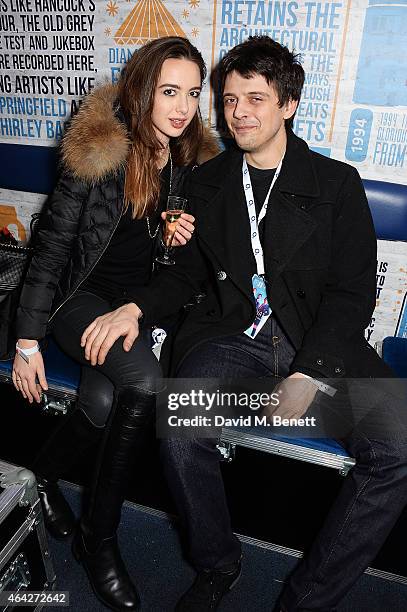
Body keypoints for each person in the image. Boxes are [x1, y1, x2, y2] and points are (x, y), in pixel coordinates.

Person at [111, 36, 407, 611]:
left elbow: (350, 295)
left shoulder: (335, 183)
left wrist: (309, 375)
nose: (239, 113)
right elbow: (188, 280)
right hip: (235, 345)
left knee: (398, 446)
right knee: (181, 422)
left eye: (256, 99)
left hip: (318, 347)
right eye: (228, 100)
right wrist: (137, 305)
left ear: (288, 105)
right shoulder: (206, 180)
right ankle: (218, 562)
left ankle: (305, 599)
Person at [12, 36, 218, 612]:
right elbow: (51, 248)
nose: (181, 107)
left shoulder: (190, 162)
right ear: (142, 87)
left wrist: (179, 241)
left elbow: (186, 272)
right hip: (80, 297)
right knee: (147, 386)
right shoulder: (98, 152)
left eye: (193, 94)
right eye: (168, 90)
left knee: (103, 405)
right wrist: (27, 341)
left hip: (134, 306)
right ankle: (98, 540)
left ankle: (43, 478)